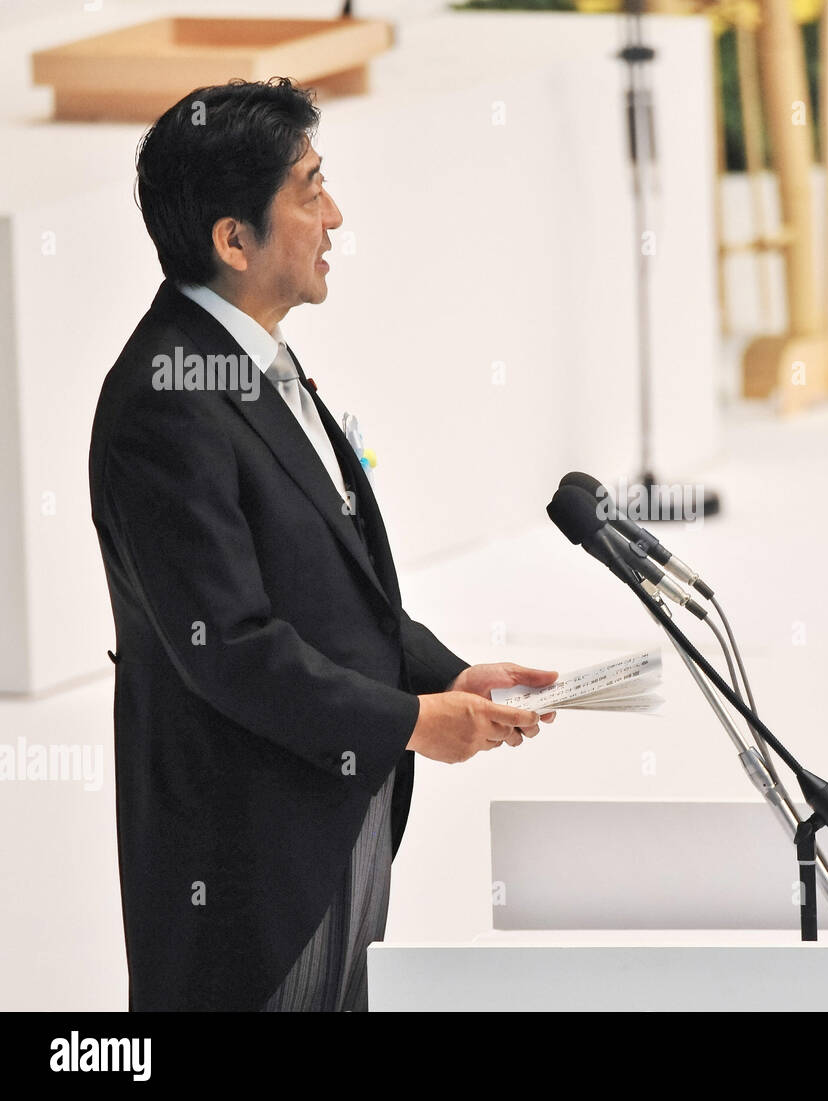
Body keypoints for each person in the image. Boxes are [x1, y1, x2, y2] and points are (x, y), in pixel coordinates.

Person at [87, 77, 556, 1012]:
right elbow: (236, 650)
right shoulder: (164, 404)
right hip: (245, 864)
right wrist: (414, 720)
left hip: (330, 820)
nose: (335, 214)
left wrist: (444, 674)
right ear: (233, 239)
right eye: (309, 188)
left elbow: (329, 589)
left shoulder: (250, 353)